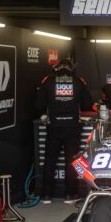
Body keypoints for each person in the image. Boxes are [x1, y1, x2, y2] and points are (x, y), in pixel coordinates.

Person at [35, 58, 93, 204]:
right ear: (71, 68)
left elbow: (38, 104)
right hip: (72, 127)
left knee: (50, 160)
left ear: (57, 68)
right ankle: (70, 195)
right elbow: (88, 104)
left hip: (54, 126)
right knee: (71, 161)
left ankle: (46, 195)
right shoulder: (78, 81)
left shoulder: (48, 80)